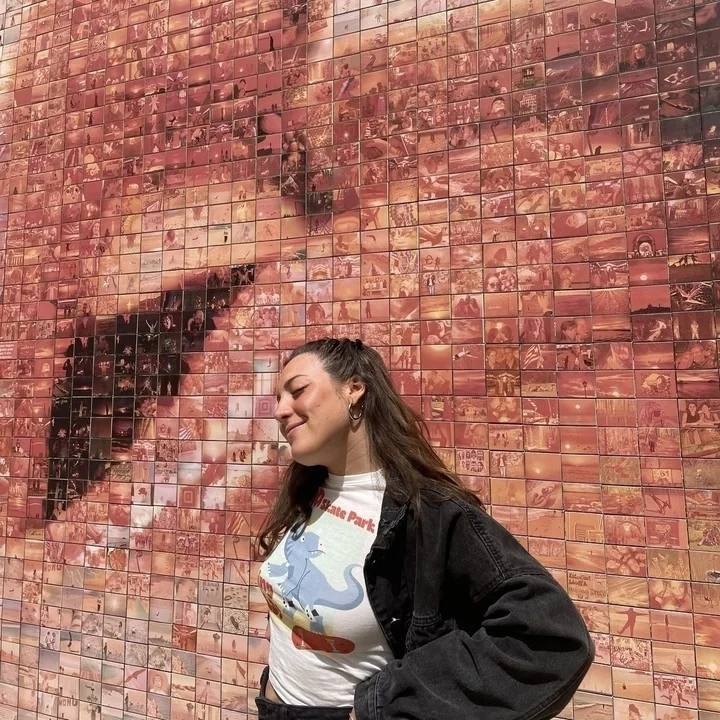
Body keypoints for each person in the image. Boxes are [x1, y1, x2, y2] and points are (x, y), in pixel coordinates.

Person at [254, 337, 594, 720]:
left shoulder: (430, 514)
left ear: (354, 389)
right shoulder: (306, 489)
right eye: (278, 398)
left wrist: (383, 707)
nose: (280, 410)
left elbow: (550, 640)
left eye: (297, 390)